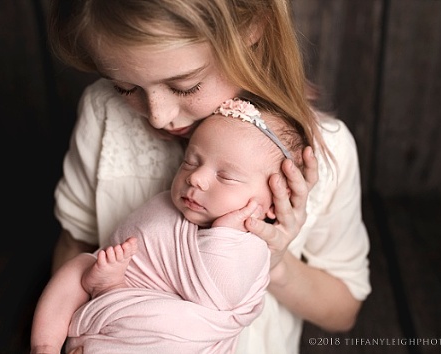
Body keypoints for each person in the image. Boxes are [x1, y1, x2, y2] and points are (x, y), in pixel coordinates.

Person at [46, 0, 371, 353]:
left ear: (252, 28)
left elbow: (343, 311)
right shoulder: (105, 112)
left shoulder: (328, 150)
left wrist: (274, 263)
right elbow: (75, 244)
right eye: (126, 87)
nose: (158, 116)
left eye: (185, 86)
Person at [33, 98, 309, 353]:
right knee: (81, 266)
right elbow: (130, 251)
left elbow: (217, 296)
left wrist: (226, 230)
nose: (196, 178)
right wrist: (110, 284)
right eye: (190, 162)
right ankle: (45, 344)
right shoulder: (164, 205)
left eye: (226, 177)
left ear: (273, 201)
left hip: (172, 340)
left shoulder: (251, 248)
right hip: (110, 313)